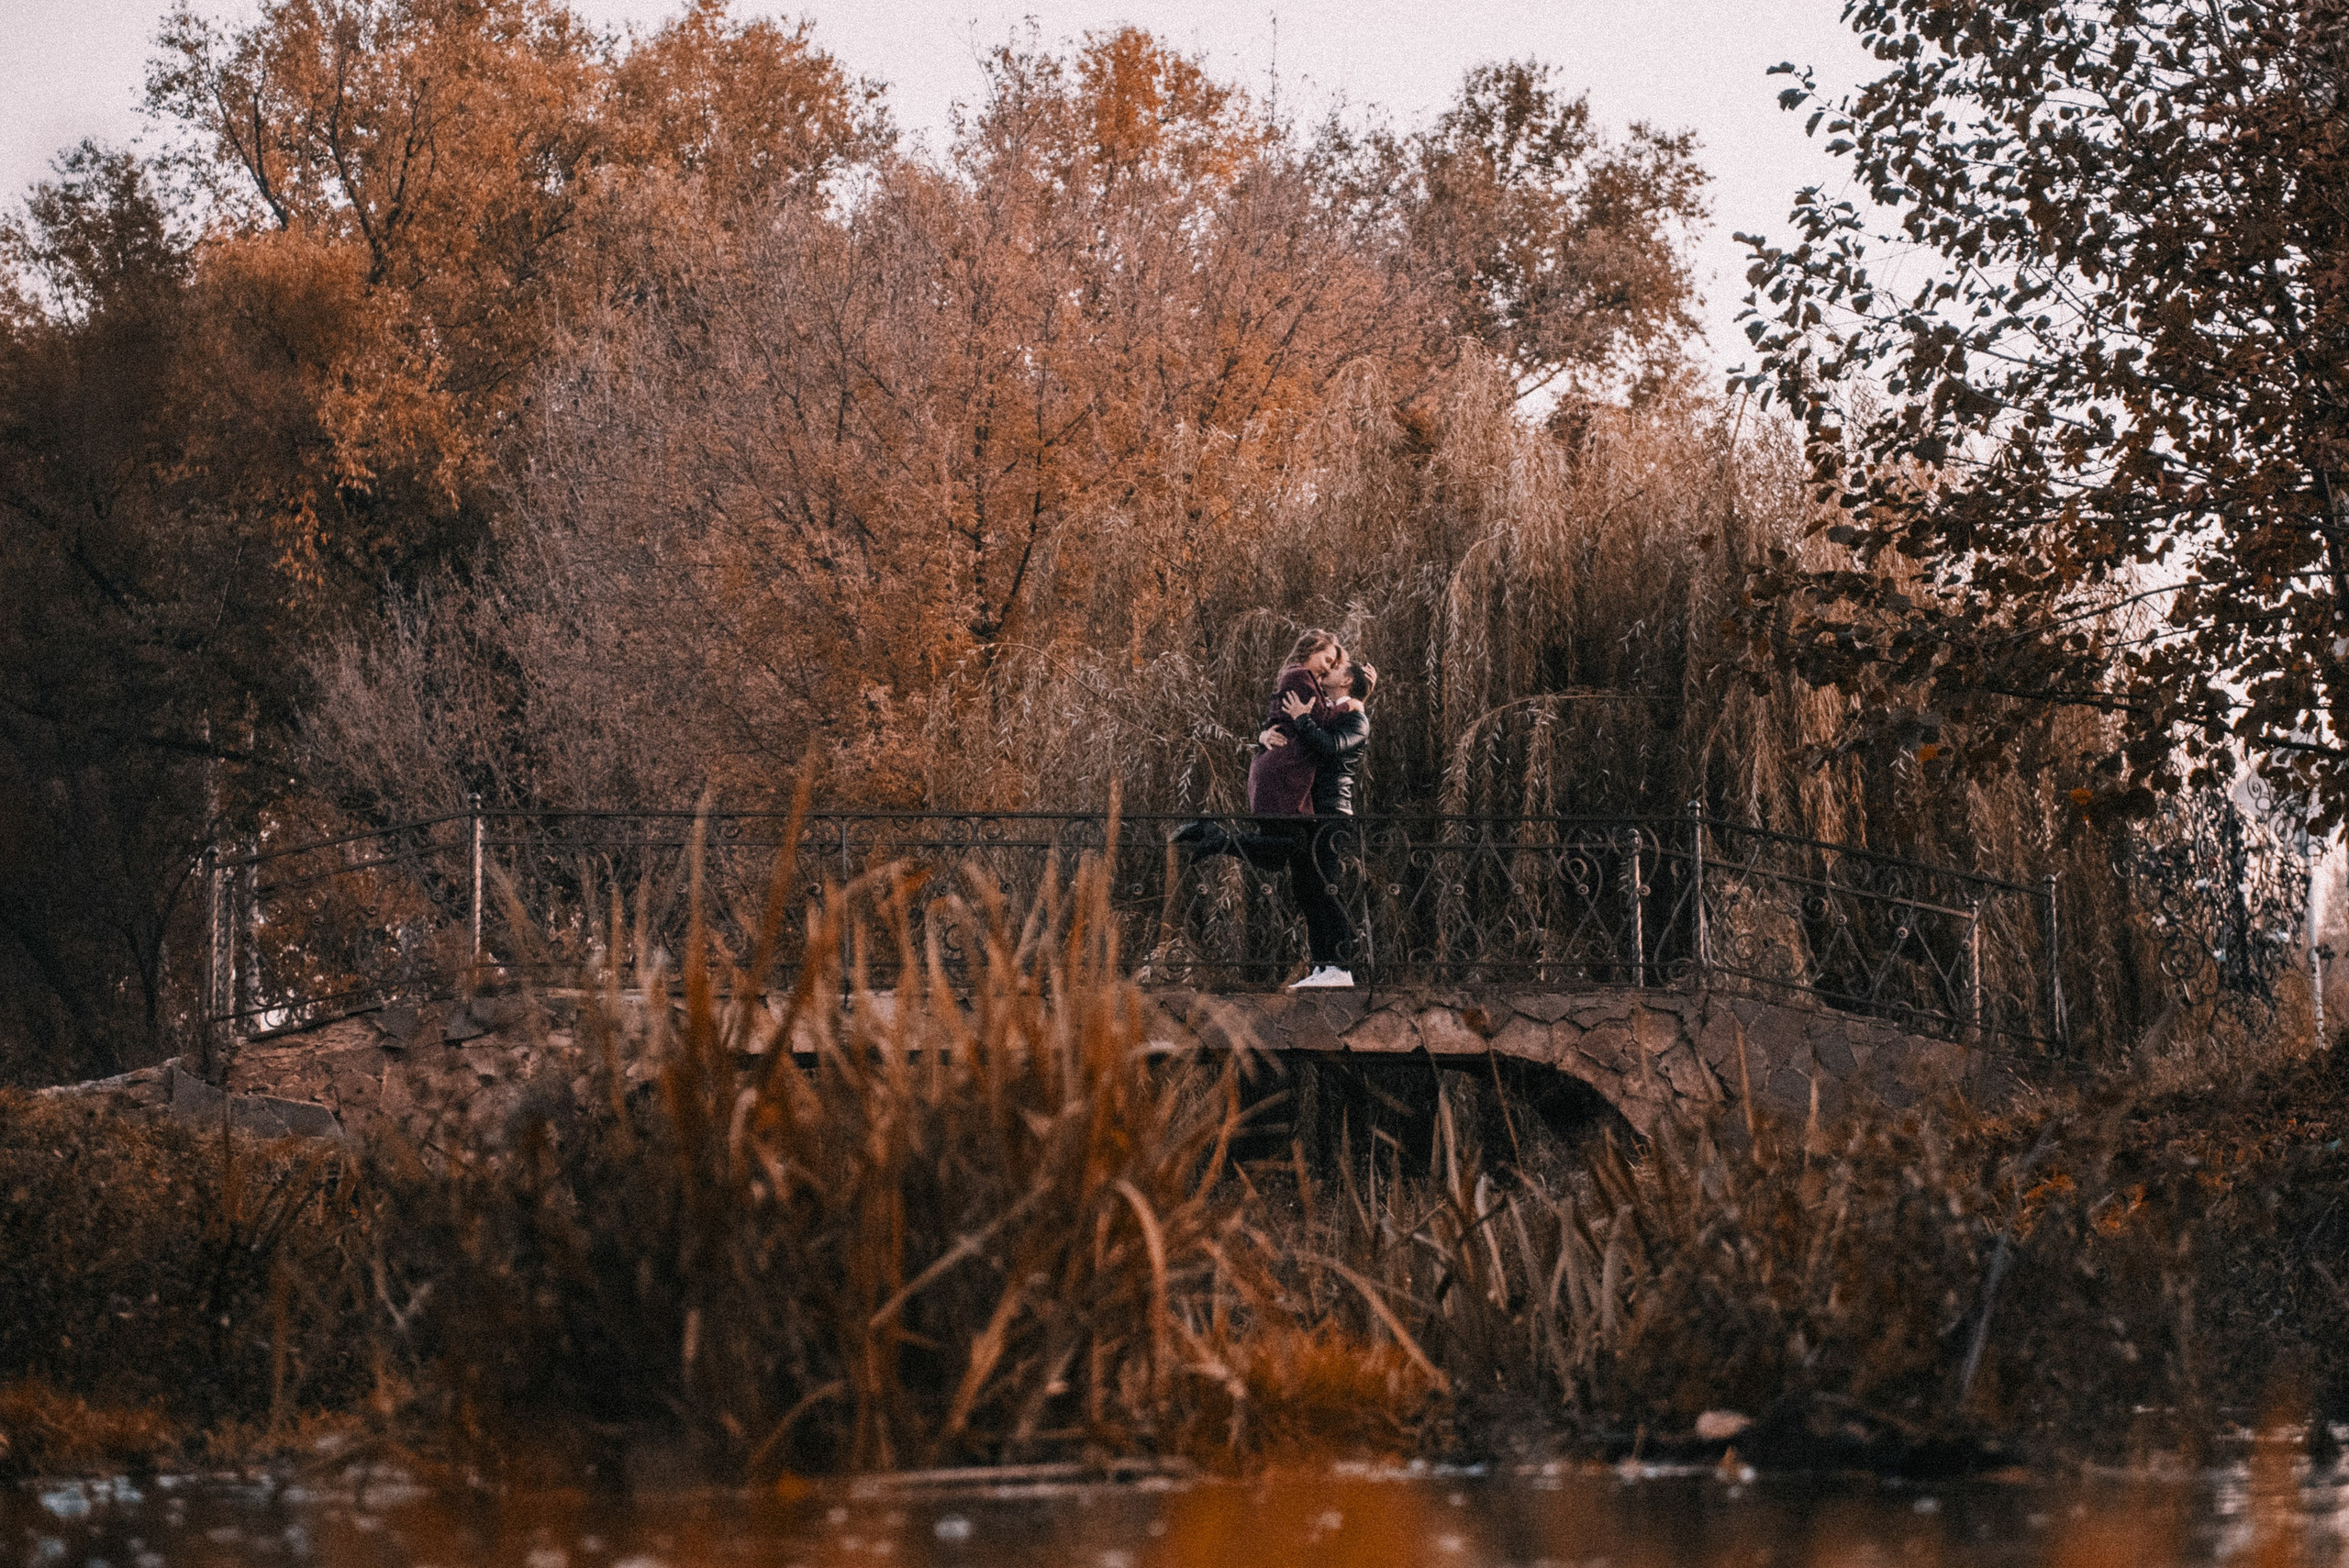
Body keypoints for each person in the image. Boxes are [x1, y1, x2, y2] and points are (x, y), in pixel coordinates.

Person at [1175, 646, 1375, 989]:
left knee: (1325, 886)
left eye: (1339, 667)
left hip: (1332, 812)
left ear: (1348, 682)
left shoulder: (1356, 719)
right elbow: (1296, 737)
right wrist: (1264, 735)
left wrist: (1301, 718)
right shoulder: (1329, 709)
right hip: (1308, 809)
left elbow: (1328, 746)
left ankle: (1341, 968)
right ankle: (1322, 965)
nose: (1331, 670)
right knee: (1305, 888)